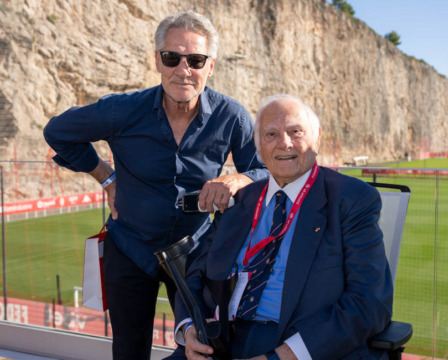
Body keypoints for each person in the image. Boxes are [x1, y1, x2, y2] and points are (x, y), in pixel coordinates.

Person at [43, 10, 268, 360]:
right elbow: (57, 132)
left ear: (211, 66)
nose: (183, 69)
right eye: (172, 57)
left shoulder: (232, 115)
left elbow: (265, 172)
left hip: (195, 255)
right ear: (157, 61)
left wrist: (237, 179)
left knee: (206, 347)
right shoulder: (122, 110)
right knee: (129, 351)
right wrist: (106, 176)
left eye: (195, 59)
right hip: (130, 248)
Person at [170, 94, 394, 360]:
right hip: (221, 341)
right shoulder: (238, 201)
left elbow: (369, 301)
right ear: (259, 147)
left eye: (295, 131)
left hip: (300, 342)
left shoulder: (351, 199)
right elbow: (195, 275)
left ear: (317, 137)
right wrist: (189, 329)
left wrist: (285, 356)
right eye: (271, 134)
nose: (284, 143)